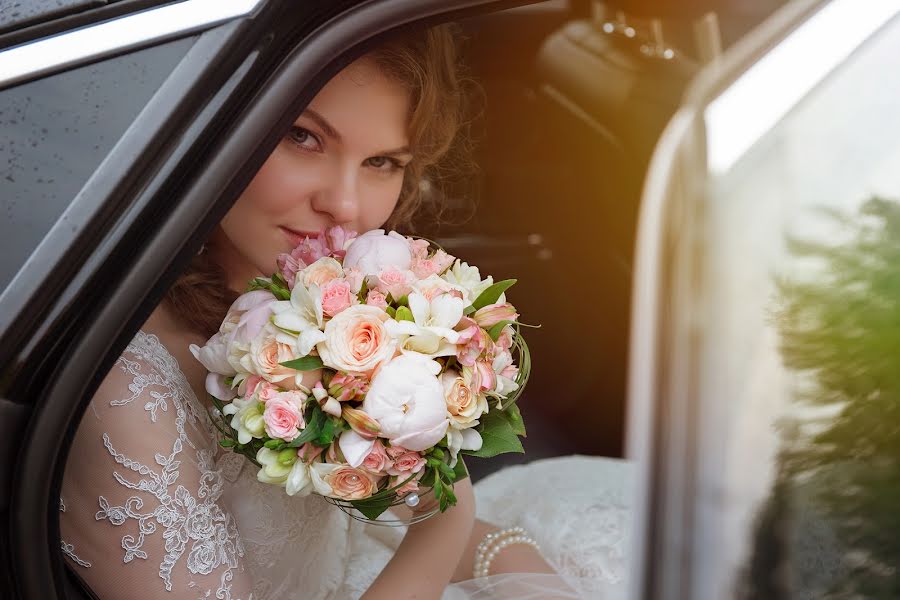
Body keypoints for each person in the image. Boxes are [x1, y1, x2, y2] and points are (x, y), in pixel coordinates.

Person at [58, 25, 631, 600]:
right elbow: (433, 522)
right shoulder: (128, 395)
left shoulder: (326, 306)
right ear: (216, 126)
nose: (347, 206)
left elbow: (355, 530)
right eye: (304, 138)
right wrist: (445, 520)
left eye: (382, 160)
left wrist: (501, 554)